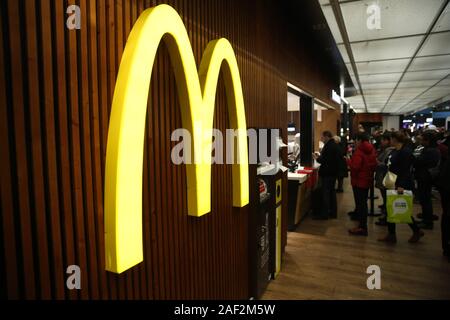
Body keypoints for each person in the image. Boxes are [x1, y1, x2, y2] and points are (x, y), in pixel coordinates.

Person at [378, 131, 424, 243]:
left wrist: (401, 185)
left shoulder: (405, 152)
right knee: (390, 208)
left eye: (391, 139)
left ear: (395, 139)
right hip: (392, 181)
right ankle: (391, 234)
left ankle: (416, 230)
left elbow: (405, 171)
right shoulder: (395, 151)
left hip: (400, 183)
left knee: (402, 209)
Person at [348, 132, 377, 236]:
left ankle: (362, 227)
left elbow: (355, 167)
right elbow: (374, 164)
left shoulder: (359, 151)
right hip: (367, 179)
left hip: (359, 180)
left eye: (356, 140)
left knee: (361, 205)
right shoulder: (371, 149)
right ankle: (362, 226)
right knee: (363, 204)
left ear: (359, 140)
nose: (355, 142)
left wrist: (348, 161)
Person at [414, 130, 441, 230]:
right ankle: (426, 218)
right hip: (426, 176)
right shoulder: (432, 150)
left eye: (422, 140)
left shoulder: (430, 151)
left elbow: (419, 162)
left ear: (428, 140)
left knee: (425, 199)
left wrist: (415, 159)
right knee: (425, 199)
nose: (421, 142)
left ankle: (427, 221)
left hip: (425, 177)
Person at [313, 131, 341, 219]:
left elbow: (325, 160)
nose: (321, 139)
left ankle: (324, 214)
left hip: (327, 173)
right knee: (332, 193)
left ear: (326, 137)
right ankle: (333, 213)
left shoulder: (329, 146)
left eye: (322, 137)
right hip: (333, 173)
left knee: (325, 194)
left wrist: (317, 158)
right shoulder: (334, 145)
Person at [374, 132, 395, 226]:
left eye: (383, 140)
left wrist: (376, 161)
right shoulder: (386, 150)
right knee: (385, 197)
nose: (381, 142)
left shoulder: (389, 151)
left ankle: (387, 217)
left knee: (387, 197)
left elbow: (385, 164)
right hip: (385, 176)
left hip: (386, 176)